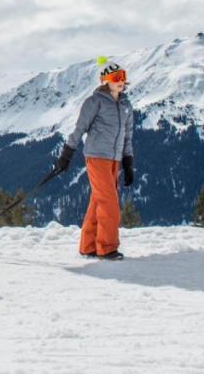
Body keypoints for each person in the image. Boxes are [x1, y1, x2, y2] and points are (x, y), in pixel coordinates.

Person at [52, 57, 135, 260]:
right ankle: (106, 248)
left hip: (114, 159)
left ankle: (88, 246)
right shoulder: (94, 101)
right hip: (97, 157)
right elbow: (79, 129)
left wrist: (128, 162)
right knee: (109, 203)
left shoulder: (126, 105)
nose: (120, 81)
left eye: (122, 76)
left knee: (98, 201)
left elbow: (128, 135)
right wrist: (66, 155)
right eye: (115, 77)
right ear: (104, 80)